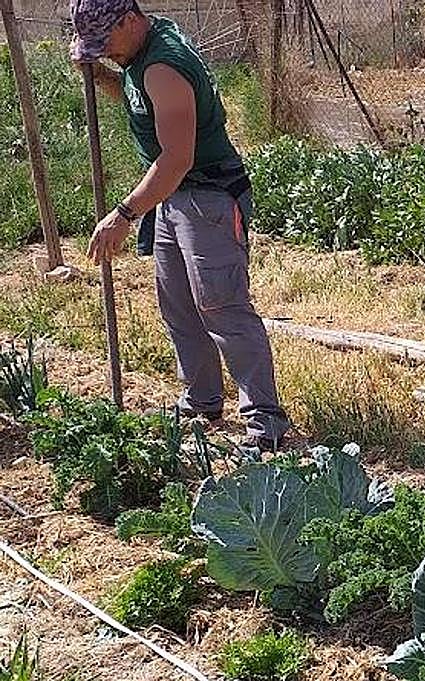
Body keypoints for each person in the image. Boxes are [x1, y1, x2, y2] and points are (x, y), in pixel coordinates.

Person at [71, 0, 288, 450]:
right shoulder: (138, 51)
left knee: (221, 306)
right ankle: (203, 400)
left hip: (205, 193)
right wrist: (102, 76)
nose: (104, 51)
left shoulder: (163, 66)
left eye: (105, 41)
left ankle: (264, 420)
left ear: (131, 20)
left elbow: (176, 158)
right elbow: (141, 102)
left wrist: (125, 213)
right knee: (180, 306)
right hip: (175, 194)